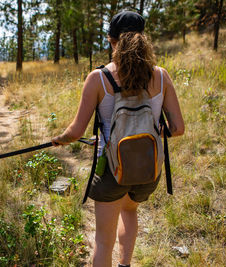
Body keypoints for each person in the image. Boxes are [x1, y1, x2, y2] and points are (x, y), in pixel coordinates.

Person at [51, 11, 185, 267]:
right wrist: (156, 132)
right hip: (148, 170)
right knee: (130, 211)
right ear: (143, 39)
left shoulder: (99, 78)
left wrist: (60, 139)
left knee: (103, 241)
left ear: (111, 40)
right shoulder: (161, 75)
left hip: (112, 172)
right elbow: (177, 128)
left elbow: (76, 132)